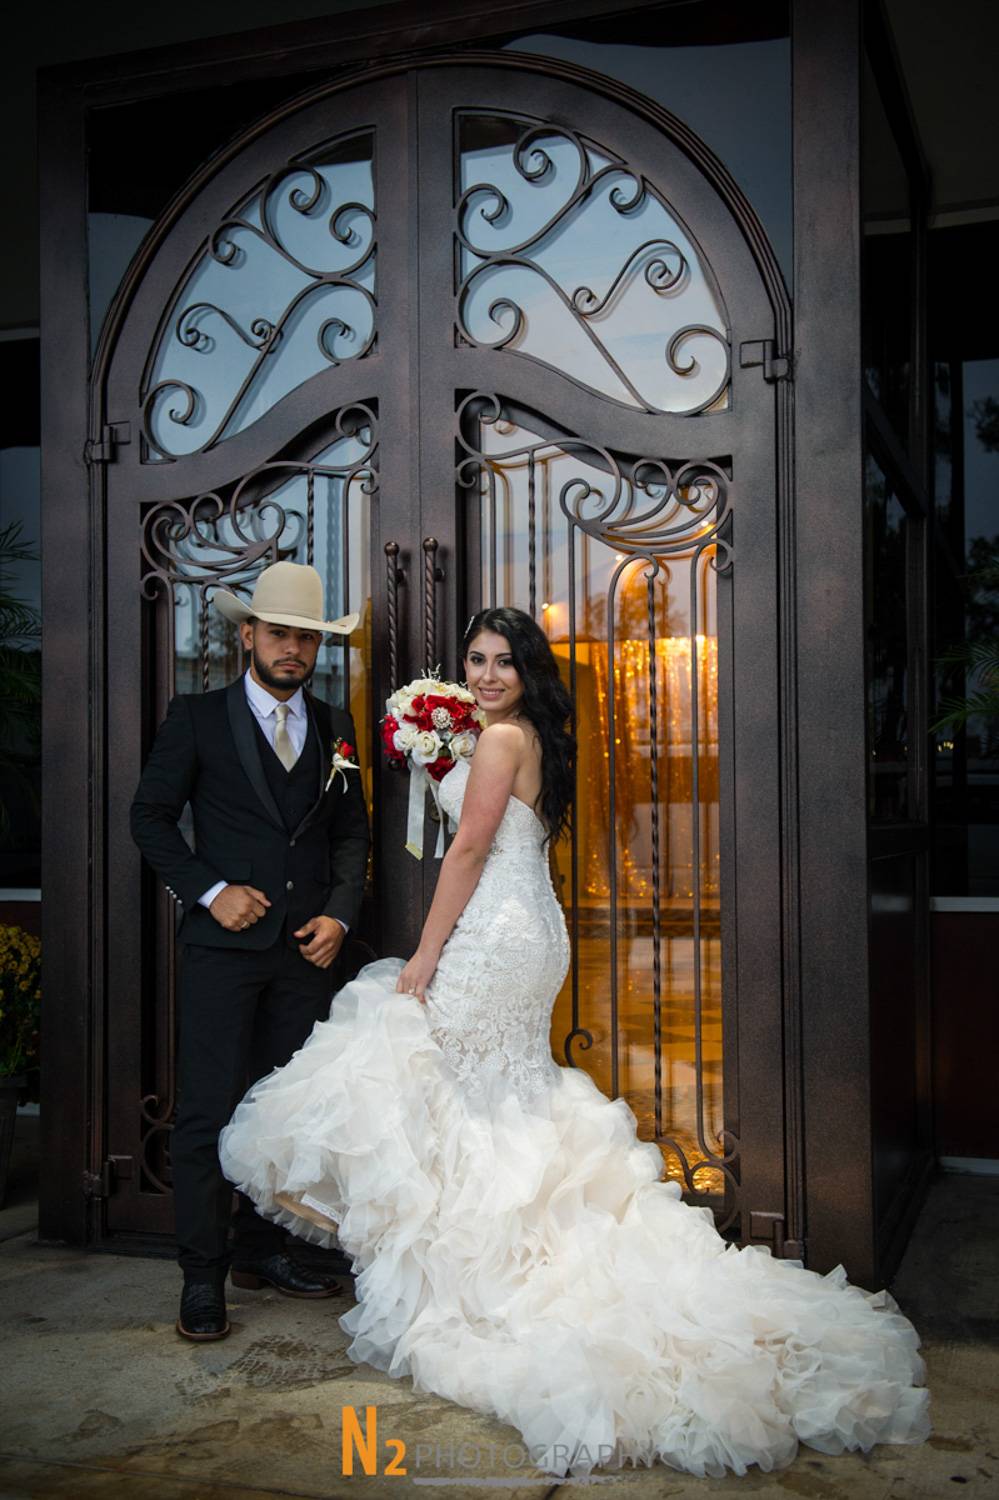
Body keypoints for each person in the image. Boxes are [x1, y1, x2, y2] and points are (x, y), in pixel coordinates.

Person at [219, 606, 929, 1478]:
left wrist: (426, 953)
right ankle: (495, 1244)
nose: (484, 675)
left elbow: (469, 847)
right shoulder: (525, 738)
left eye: (502, 662)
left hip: (493, 934)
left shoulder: (501, 741)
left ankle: (489, 1272)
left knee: (426, 1059)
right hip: (530, 930)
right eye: (475, 660)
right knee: (493, 1091)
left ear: (528, 672)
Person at [131, 561, 370, 1342]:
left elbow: (350, 835)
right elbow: (152, 820)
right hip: (221, 952)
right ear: (248, 636)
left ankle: (265, 1253)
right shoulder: (197, 716)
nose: (292, 648)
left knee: (285, 1114)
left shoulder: (336, 726)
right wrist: (210, 890)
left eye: (305, 635)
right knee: (207, 1115)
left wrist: (338, 914)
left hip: (306, 954)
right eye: (279, 633)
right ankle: (203, 1277)